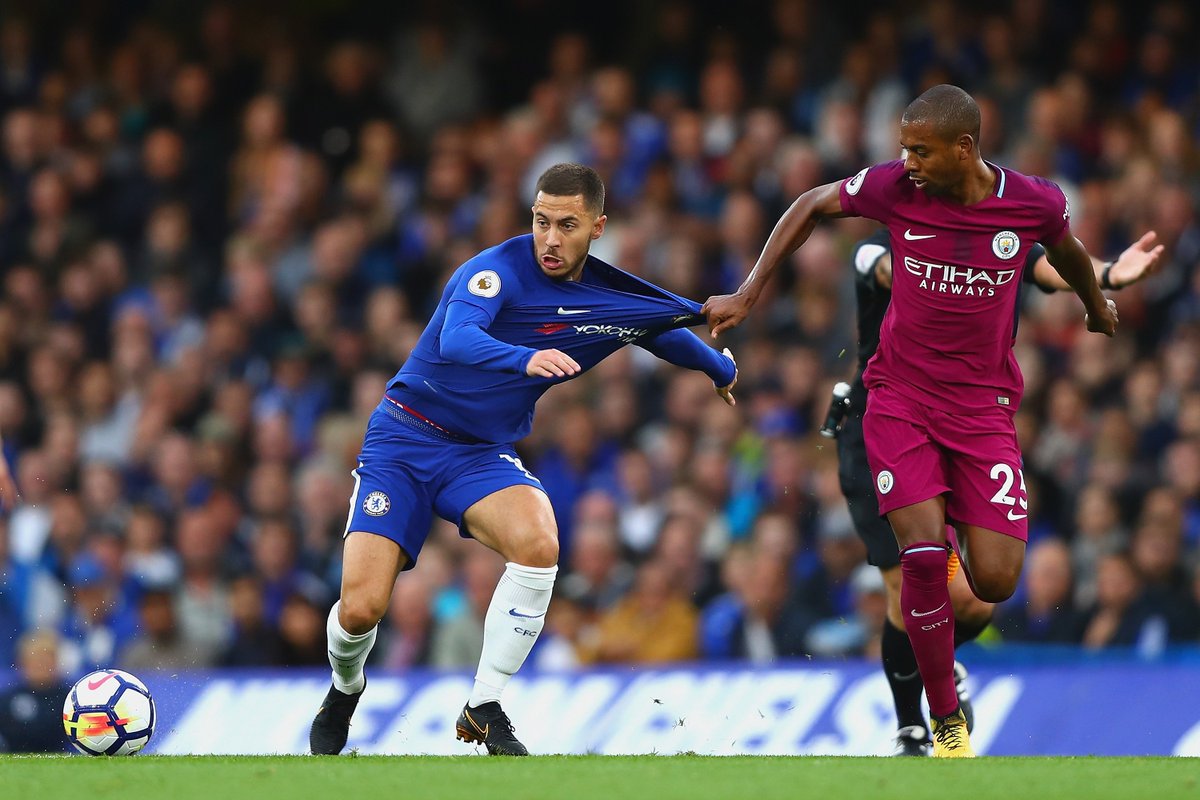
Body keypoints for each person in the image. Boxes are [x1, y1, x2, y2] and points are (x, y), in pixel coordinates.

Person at [704, 84, 1120, 757]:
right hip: (898, 403)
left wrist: (1095, 303)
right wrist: (750, 291)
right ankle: (943, 718)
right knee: (922, 559)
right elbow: (811, 202)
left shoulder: (1032, 202)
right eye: (904, 148)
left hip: (983, 413)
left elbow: (1064, 252)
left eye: (921, 149)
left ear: (965, 147)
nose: (908, 160)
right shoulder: (897, 188)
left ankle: (935, 636)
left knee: (993, 583)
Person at [309, 163, 736, 756]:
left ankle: (483, 706)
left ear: (597, 227)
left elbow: (655, 328)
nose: (551, 239)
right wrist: (523, 360)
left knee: (540, 544)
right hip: (405, 439)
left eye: (567, 225)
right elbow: (457, 338)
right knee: (361, 608)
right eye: (541, 222)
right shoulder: (492, 272)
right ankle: (344, 687)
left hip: (479, 454)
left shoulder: (602, 293)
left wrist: (721, 369)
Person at [829, 228, 1161, 755]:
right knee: (909, 583)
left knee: (977, 602)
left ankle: (937, 665)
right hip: (880, 431)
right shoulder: (887, 236)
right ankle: (912, 728)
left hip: (959, 428)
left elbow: (1045, 266)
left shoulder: (991, 232)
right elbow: (881, 266)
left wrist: (1103, 274)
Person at [0, 629, 72, 753]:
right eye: (36, 659)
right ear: (22, 662)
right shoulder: (9, 698)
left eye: (46, 659)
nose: (41, 665)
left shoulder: (69, 699)